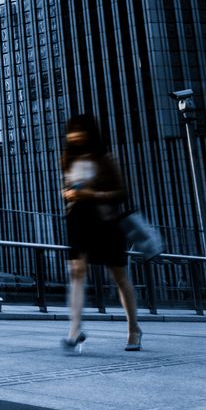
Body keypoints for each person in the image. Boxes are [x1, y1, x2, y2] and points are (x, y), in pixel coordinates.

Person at [59, 113, 143, 353]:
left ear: (90, 133)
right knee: (76, 272)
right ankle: (74, 330)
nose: (75, 135)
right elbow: (66, 188)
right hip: (77, 220)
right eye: (72, 131)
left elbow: (121, 193)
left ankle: (133, 328)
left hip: (106, 222)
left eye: (80, 130)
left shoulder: (105, 159)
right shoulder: (67, 158)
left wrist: (91, 195)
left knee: (118, 276)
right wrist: (69, 194)